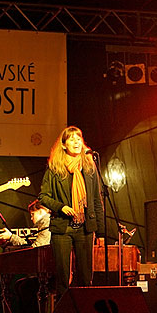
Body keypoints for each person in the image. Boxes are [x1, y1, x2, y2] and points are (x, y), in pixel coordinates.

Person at [38, 126, 104, 300]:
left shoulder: (89, 167)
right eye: (72, 139)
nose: (76, 142)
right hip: (62, 228)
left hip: (85, 228)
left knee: (85, 278)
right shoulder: (54, 168)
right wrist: (61, 207)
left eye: (79, 138)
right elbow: (43, 197)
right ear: (64, 144)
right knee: (63, 279)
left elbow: (97, 200)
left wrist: (99, 230)